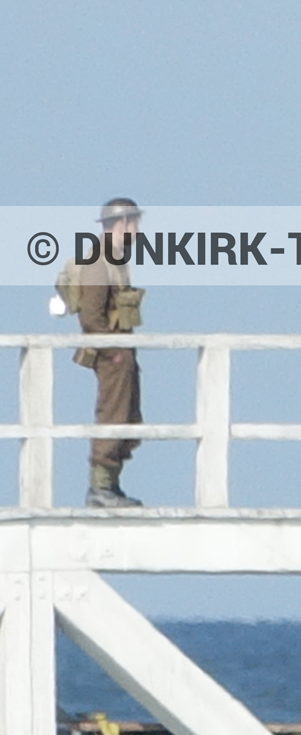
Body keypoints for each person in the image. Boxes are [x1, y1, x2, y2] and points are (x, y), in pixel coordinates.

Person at [75, 198, 147, 508]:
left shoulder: (115, 259)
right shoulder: (98, 260)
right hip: (112, 354)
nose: (136, 229)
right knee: (113, 414)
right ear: (119, 225)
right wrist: (112, 351)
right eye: (132, 222)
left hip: (122, 351)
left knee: (128, 417)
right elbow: (91, 315)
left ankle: (111, 484)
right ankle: (100, 487)